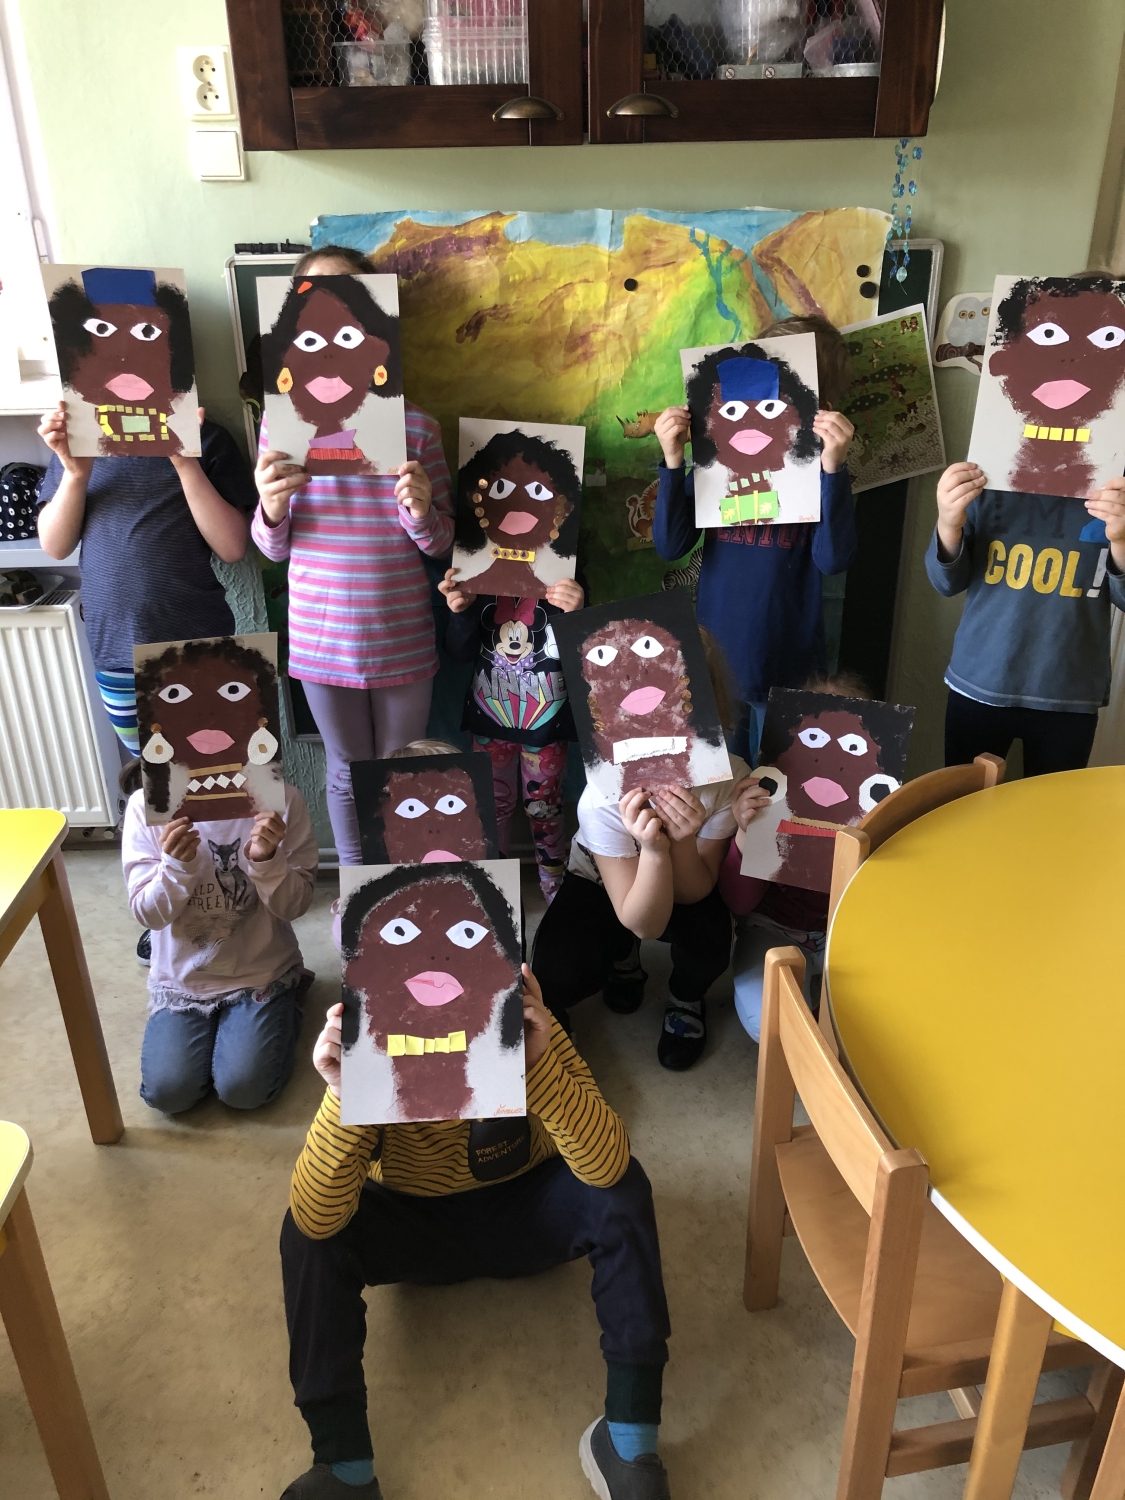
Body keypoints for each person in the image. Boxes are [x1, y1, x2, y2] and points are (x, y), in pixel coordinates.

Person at [279, 968, 672, 1500]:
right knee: (307, 1224)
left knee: (620, 1186)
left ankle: (631, 1439)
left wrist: (537, 1067)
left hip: (526, 1213)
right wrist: (346, 1098)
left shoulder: (528, 1022)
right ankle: (343, 1460)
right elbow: (315, 1219)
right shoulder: (369, 1038)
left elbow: (608, 1167)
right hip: (414, 1224)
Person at [251, 245, 454, 866]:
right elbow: (270, 546)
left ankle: (400, 888)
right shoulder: (279, 428)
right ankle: (359, 887)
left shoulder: (416, 428)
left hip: (401, 631)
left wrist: (421, 513)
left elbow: (443, 544)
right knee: (344, 769)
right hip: (321, 635)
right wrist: (272, 509)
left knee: (402, 773)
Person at [531, 633, 746, 1071]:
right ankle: (621, 956)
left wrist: (677, 841)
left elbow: (696, 891)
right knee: (554, 971)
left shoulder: (726, 779)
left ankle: (685, 998)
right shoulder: (602, 796)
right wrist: (651, 849)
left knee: (710, 937)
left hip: (685, 878)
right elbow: (644, 922)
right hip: (601, 879)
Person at [652, 314, 857, 763]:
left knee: (774, 785)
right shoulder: (720, 462)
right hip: (718, 660)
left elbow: (833, 559)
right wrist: (672, 461)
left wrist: (834, 469)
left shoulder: (822, 476)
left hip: (789, 664)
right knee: (721, 783)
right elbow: (671, 546)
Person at [36, 401, 254, 757]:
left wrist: (184, 461)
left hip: (197, 646)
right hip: (115, 649)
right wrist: (75, 474)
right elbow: (55, 546)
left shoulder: (208, 438)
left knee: (214, 766)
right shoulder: (79, 441)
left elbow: (232, 547)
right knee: (153, 770)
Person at [121, 763, 318, 1114]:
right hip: (183, 982)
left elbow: (295, 906)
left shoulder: (281, 800)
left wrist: (267, 861)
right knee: (169, 1094)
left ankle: (289, 997)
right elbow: (148, 914)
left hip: (261, 975)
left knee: (244, 1091)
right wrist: (175, 867)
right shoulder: (147, 805)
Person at [928, 460, 1125, 775]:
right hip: (979, 682)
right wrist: (948, 524)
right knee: (963, 800)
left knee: (1050, 804)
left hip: (1069, 692)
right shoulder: (987, 476)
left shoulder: (1115, 489)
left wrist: (1121, 541)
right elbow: (945, 582)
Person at [719, 672, 870, 1042]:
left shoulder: (872, 802)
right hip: (772, 931)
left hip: (845, 932)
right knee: (770, 1023)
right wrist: (747, 833)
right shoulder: (765, 799)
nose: (828, 764)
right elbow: (738, 902)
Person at [439, 566, 584, 903]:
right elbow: (459, 651)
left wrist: (577, 612)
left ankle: (554, 892)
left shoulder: (565, 572)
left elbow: (584, 655)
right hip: (490, 721)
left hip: (546, 725)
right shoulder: (478, 575)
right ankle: (495, 892)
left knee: (544, 808)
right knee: (492, 807)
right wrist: (460, 612)